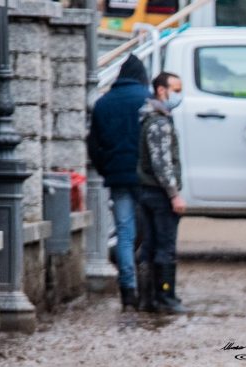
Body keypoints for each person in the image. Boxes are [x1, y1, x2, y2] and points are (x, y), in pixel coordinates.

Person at [87, 54, 150, 311]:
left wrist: (106, 170)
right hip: (146, 180)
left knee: (124, 234)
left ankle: (128, 291)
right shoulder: (147, 101)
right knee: (149, 232)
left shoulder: (103, 103)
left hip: (117, 177)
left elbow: (93, 144)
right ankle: (151, 288)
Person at [136, 72, 188, 314]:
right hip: (159, 195)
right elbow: (162, 164)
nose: (179, 94)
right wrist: (174, 194)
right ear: (161, 90)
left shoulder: (150, 117)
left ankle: (148, 298)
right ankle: (165, 297)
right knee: (164, 246)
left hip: (148, 192)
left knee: (150, 245)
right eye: (175, 89)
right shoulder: (159, 122)